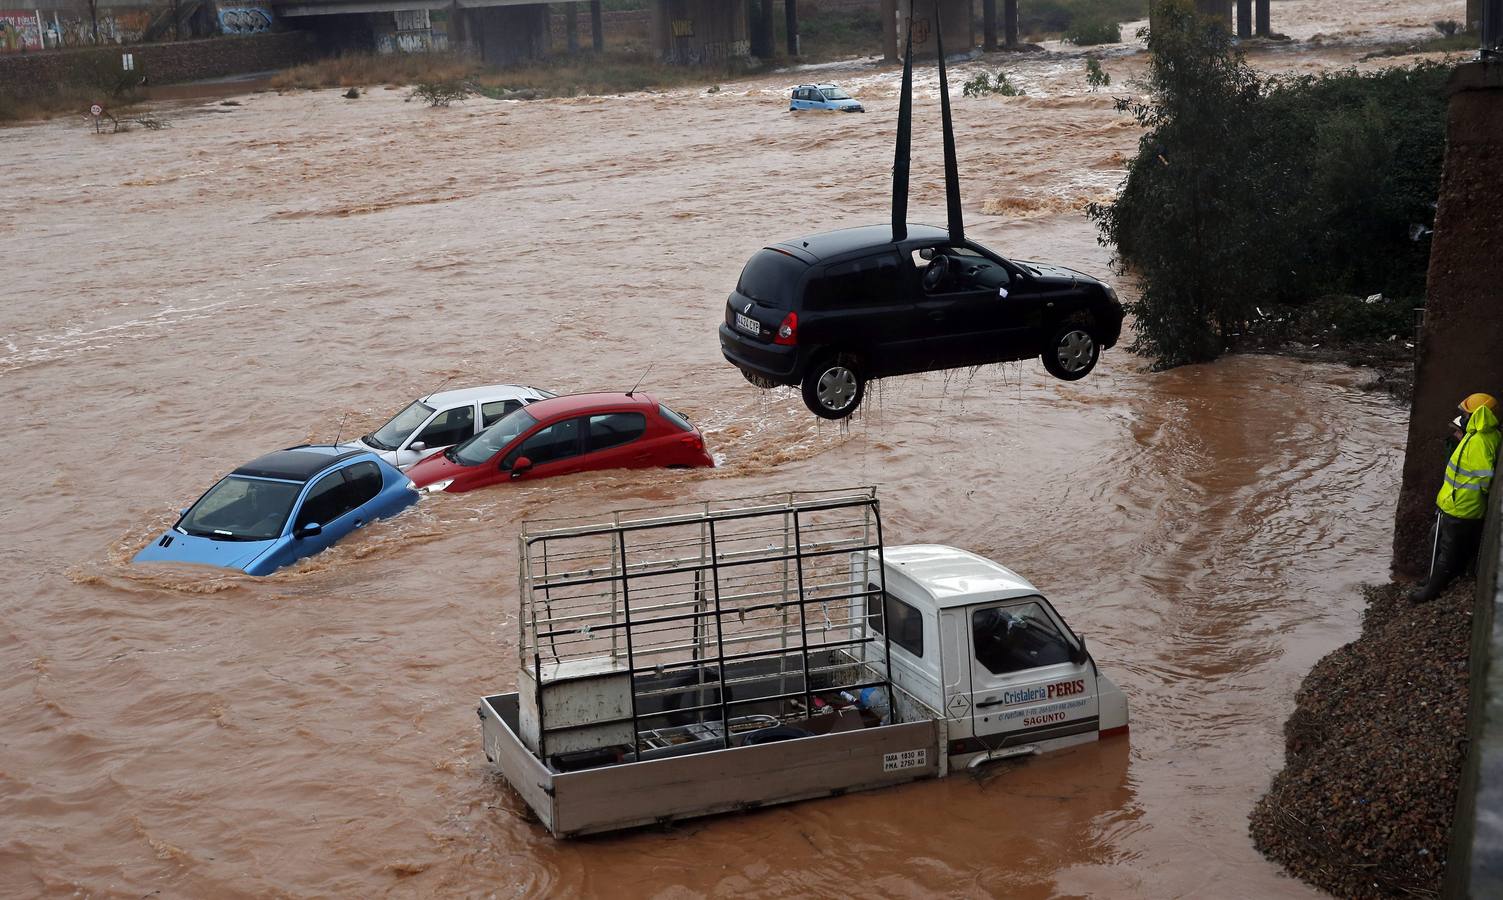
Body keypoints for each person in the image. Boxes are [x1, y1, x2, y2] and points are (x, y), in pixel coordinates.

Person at [1410, 393, 1501, 603]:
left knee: (1448, 551)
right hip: (1451, 503)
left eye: (1466, 413)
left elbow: (1483, 479)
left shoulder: (1482, 441)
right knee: (1436, 539)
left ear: (1479, 415)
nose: (1463, 416)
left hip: (1463, 507)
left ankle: (1432, 590)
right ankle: (1432, 578)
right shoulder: (1473, 434)